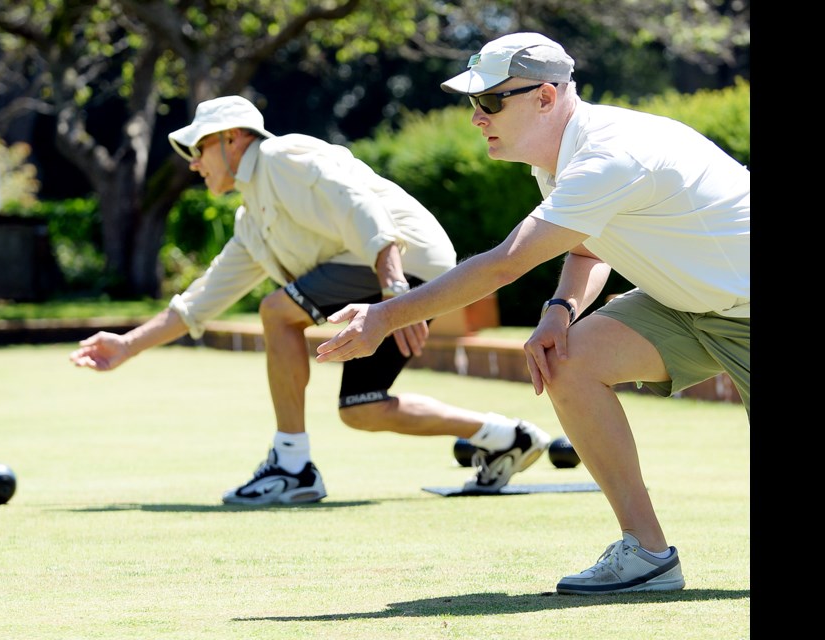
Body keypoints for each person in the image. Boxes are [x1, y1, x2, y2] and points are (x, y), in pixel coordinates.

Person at [315, 32, 749, 595]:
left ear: (545, 97)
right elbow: (589, 246)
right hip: (687, 307)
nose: (476, 118)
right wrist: (560, 312)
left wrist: (384, 316)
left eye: (490, 102)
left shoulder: (608, 155)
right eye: (473, 102)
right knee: (568, 360)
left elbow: (504, 265)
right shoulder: (561, 158)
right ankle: (647, 554)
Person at [68, 95, 551, 506]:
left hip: (408, 265)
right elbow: (200, 302)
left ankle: (292, 467)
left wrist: (395, 292)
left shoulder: (282, 156)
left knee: (277, 312)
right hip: (394, 276)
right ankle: (506, 436)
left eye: (199, 148)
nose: (194, 163)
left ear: (233, 138)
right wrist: (128, 345)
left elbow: (360, 205)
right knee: (361, 408)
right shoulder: (252, 221)